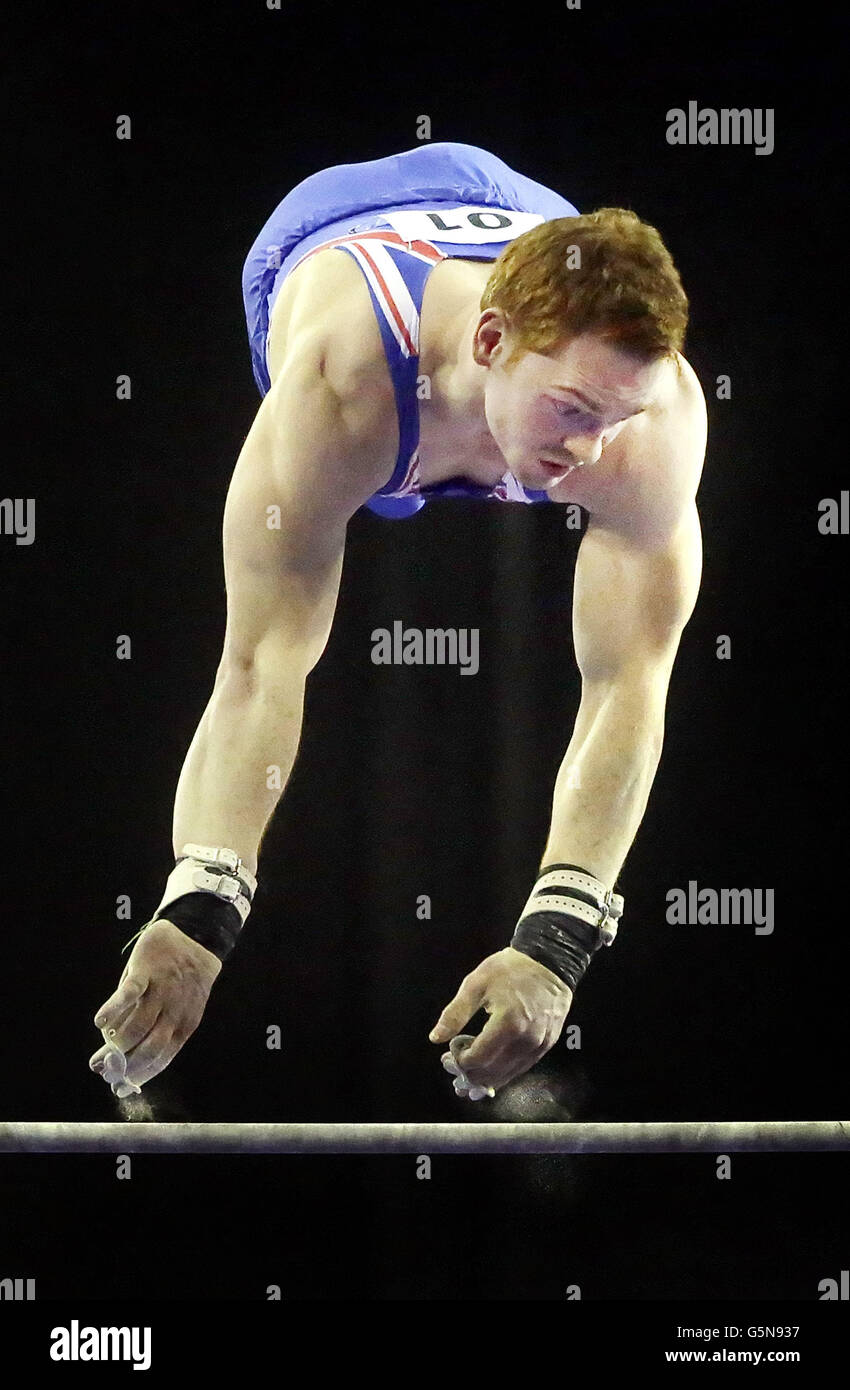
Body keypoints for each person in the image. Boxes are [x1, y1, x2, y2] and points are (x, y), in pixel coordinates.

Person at [90, 142, 706, 1102]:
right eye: (574, 409)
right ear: (494, 342)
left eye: (617, 415)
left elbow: (631, 679)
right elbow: (263, 659)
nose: (592, 447)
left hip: (531, 211)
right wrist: (200, 902)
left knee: (585, 459)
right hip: (328, 228)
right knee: (372, 490)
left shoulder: (653, 420)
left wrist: (557, 941)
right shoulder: (344, 386)